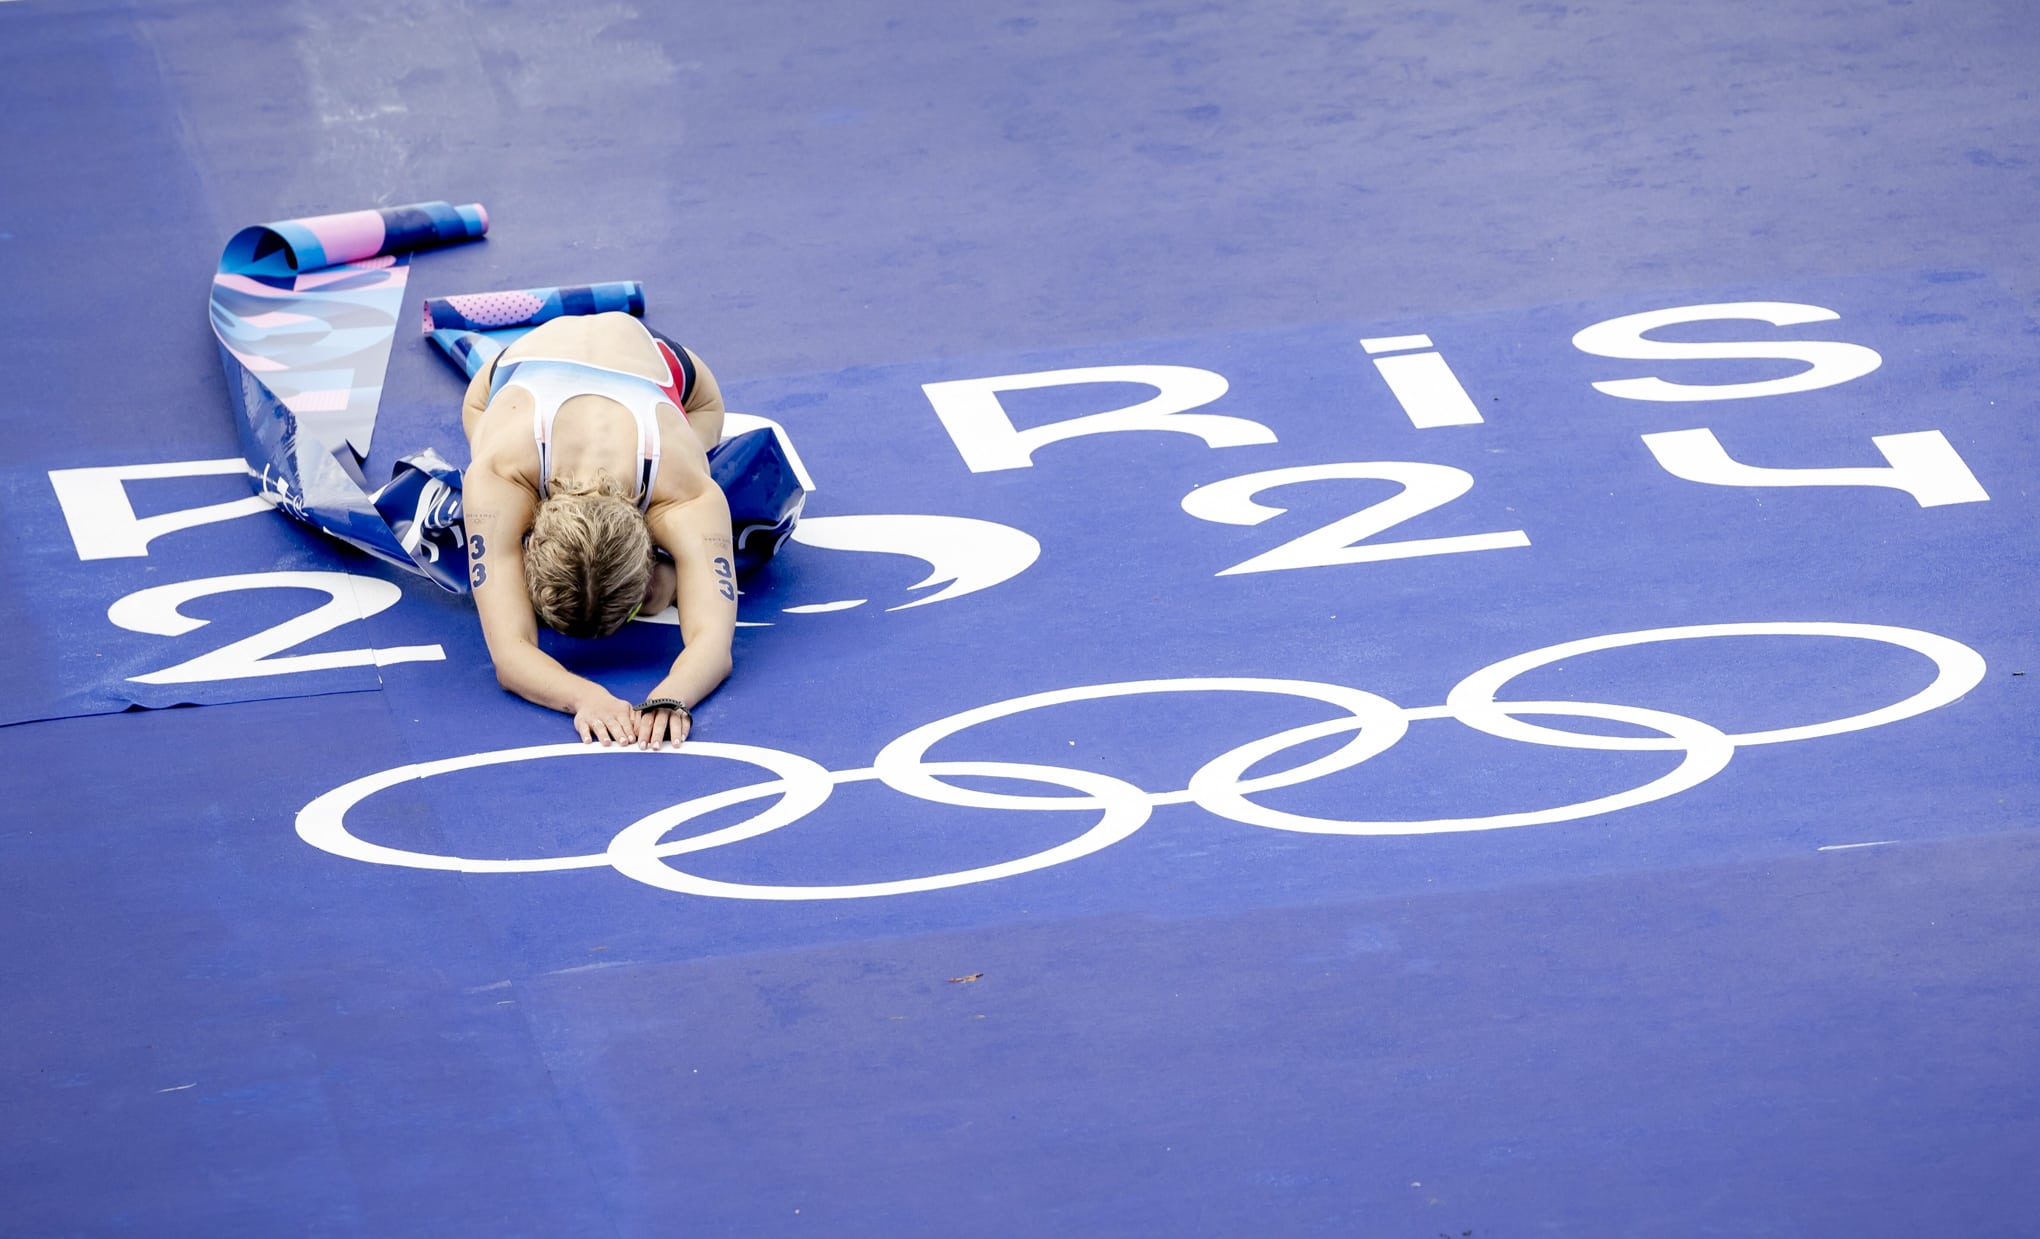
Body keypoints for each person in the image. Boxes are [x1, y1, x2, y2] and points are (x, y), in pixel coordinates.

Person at [459, 311, 735, 749]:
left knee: (693, 538)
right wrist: (582, 697)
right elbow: (509, 656)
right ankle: (665, 578)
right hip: (512, 375)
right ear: (532, 536)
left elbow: (714, 646)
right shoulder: (497, 473)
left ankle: (660, 578)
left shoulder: (683, 489)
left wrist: (673, 696)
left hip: (668, 370)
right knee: (482, 460)